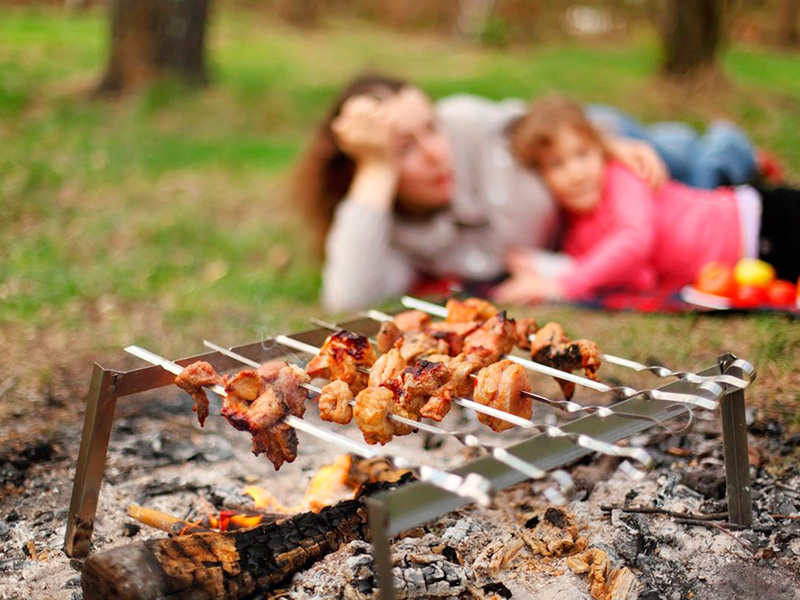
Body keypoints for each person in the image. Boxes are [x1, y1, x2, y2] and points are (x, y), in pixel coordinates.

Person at [293, 74, 753, 312]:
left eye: (431, 127)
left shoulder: (465, 121)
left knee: (691, 164)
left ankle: (727, 142)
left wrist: (603, 143)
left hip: (588, 158)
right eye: (405, 147)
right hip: (590, 224)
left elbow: (546, 122)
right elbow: (346, 299)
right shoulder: (392, 235)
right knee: (692, 202)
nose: (437, 153)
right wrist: (377, 166)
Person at [492, 94, 799, 304]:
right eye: (556, 164)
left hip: (760, 218)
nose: (576, 172)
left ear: (601, 150)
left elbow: (635, 239)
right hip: (756, 264)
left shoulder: (621, 177)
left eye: (582, 154)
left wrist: (562, 284)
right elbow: (642, 277)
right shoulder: (577, 236)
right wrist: (542, 267)